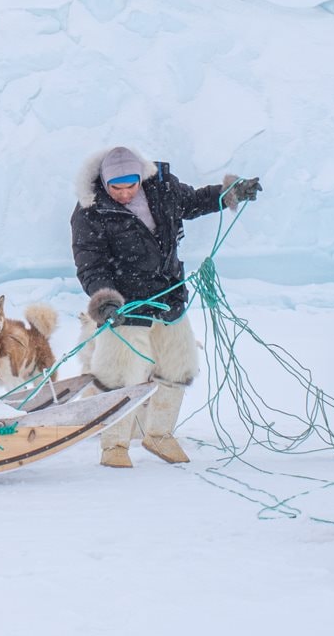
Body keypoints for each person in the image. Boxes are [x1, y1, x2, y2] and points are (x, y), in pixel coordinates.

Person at [70, 145, 261, 467]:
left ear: (140, 180)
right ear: (104, 183)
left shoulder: (163, 189)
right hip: (124, 306)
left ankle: (159, 435)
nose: (124, 193)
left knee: (178, 365)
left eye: (130, 186)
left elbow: (196, 200)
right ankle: (114, 445)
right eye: (116, 187)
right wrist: (104, 301)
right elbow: (91, 265)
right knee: (118, 374)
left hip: (168, 297)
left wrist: (230, 192)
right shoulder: (90, 212)